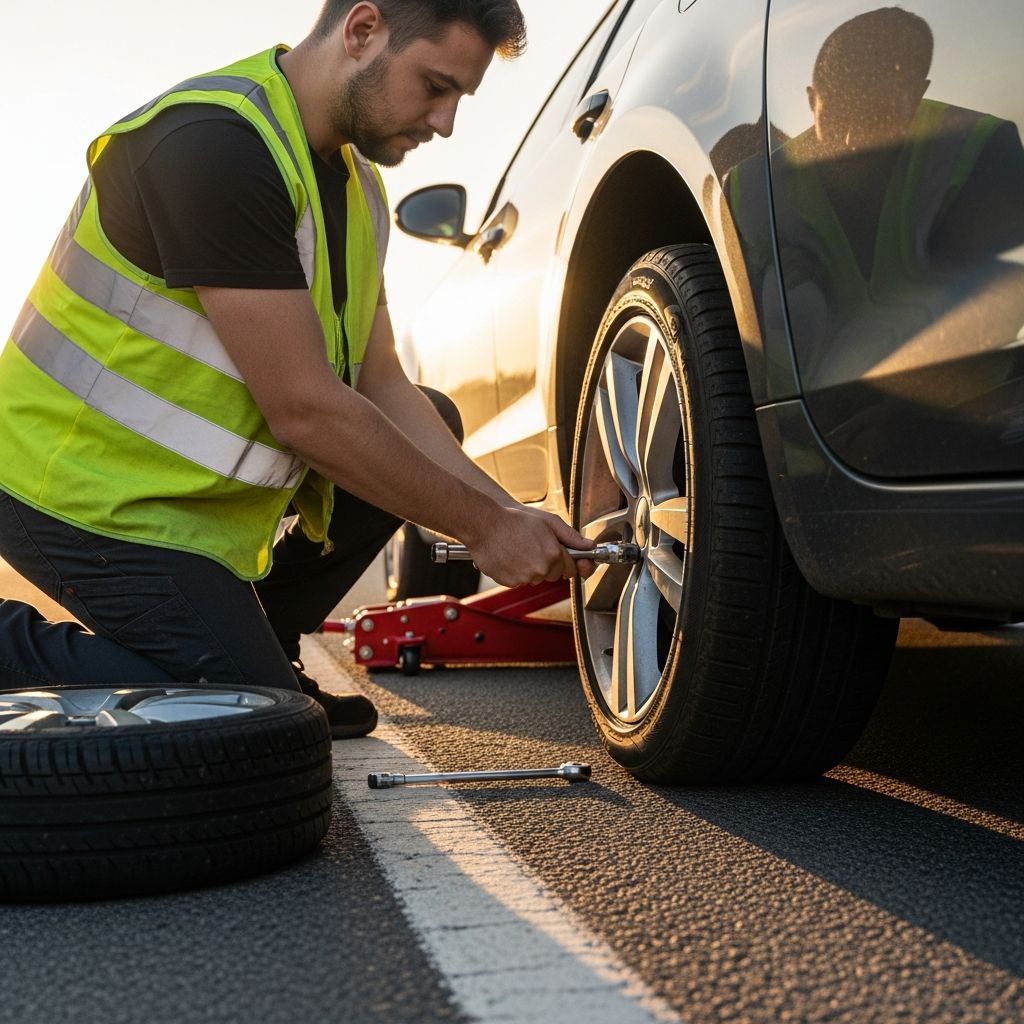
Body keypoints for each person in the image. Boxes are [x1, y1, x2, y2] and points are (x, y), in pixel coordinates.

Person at [0, 0, 594, 738]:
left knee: (429, 418)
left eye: (458, 100)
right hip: (73, 491)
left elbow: (381, 382)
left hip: (173, 503)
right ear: (362, 30)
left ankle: (262, 655)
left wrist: (507, 515)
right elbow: (304, 410)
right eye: (435, 86)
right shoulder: (215, 144)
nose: (444, 124)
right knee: (248, 720)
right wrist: (479, 529)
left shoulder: (358, 186)